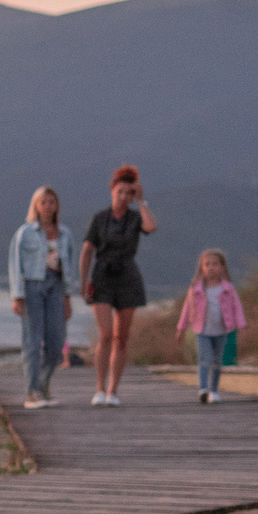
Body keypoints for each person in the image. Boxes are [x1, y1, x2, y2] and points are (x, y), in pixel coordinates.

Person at [81, 164, 158, 406]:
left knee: (120, 337)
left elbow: (151, 227)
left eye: (129, 193)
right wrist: (84, 282)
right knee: (105, 334)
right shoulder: (99, 218)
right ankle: (99, 388)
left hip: (127, 276)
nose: (124, 197)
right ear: (112, 191)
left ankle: (113, 390)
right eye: (120, 192)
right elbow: (87, 250)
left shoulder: (135, 218)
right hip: (102, 276)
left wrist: (142, 202)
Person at [8, 185, 77, 407]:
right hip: (32, 286)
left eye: (52, 202)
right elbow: (15, 264)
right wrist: (17, 295)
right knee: (33, 339)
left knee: (57, 340)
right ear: (36, 206)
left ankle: (43, 382)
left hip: (56, 285)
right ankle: (32, 391)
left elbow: (70, 265)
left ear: (57, 206)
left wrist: (68, 296)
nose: (48, 206)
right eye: (43, 202)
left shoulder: (65, 234)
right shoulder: (25, 233)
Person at [178, 248, 245, 404]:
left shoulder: (228, 288)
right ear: (202, 267)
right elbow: (187, 308)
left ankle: (214, 390)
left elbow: (237, 307)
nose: (211, 267)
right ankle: (203, 389)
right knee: (204, 358)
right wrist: (181, 328)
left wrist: (241, 325)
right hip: (202, 330)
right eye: (207, 264)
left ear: (222, 267)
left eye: (215, 264)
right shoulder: (196, 288)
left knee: (217, 361)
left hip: (221, 330)